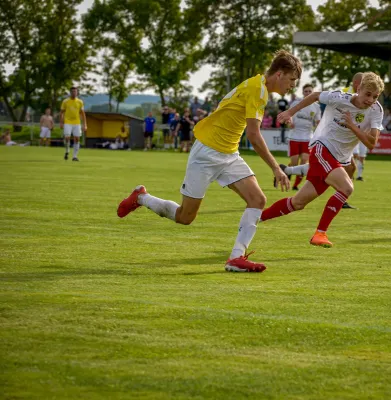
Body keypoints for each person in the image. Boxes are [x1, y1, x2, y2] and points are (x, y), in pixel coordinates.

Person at [117, 50, 300, 273]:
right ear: (279, 74)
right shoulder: (257, 90)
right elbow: (253, 134)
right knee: (185, 217)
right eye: (292, 80)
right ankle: (141, 197)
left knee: (257, 199)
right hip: (207, 152)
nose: (292, 86)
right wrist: (276, 168)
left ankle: (236, 258)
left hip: (229, 154)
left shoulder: (258, 86)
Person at [261, 72, 384, 248]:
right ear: (359, 88)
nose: (370, 100)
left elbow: (371, 143)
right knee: (347, 187)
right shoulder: (339, 98)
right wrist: (290, 111)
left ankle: (256, 218)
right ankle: (320, 233)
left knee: (298, 203)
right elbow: (315, 96)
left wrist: (352, 126)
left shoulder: (376, 110)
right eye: (368, 94)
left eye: (375, 96)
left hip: (338, 159)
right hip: (322, 147)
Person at [287, 83, 321, 190]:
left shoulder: (316, 107)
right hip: (295, 136)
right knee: (294, 162)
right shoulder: (296, 103)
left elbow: (318, 121)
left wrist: (318, 125)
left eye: (310, 91)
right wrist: (290, 122)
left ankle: (295, 185)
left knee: (304, 161)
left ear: (313, 92)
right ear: (302, 92)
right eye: (306, 91)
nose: (307, 93)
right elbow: (289, 115)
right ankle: (285, 172)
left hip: (308, 138)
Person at [60, 87, 86, 161]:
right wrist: (61, 122)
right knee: (67, 138)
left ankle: (74, 156)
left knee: (77, 139)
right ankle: (67, 150)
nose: (74, 93)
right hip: (67, 122)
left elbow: (83, 114)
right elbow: (61, 113)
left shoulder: (80, 102)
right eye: (72, 91)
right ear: (70, 93)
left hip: (77, 122)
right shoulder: (65, 101)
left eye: (75, 91)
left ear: (77, 93)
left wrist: (85, 124)